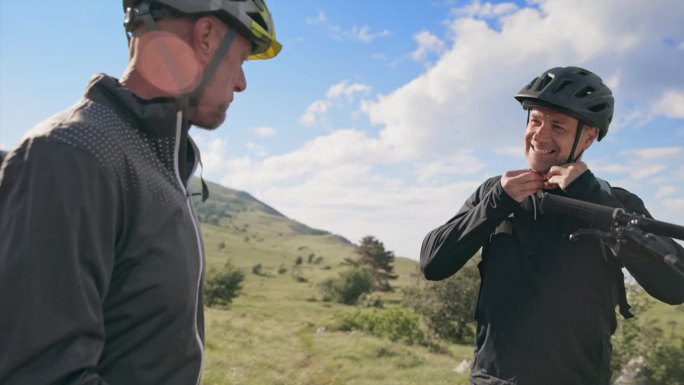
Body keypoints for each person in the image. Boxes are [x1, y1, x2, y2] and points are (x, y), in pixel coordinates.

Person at [0, 1, 281, 384]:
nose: (241, 83)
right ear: (206, 37)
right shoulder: (72, 154)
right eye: (243, 58)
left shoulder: (161, 161)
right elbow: (43, 373)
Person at [420, 66, 684, 385]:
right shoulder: (496, 192)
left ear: (588, 136)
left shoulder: (617, 203)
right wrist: (496, 203)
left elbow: (675, 286)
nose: (540, 136)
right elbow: (433, 263)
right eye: (535, 120)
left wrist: (593, 198)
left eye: (557, 126)